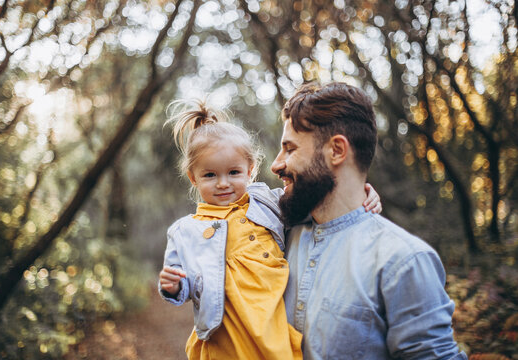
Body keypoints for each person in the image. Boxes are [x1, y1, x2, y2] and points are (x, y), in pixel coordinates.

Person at [158, 99, 381, 359]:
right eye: (210, 175)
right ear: (193, 178)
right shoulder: (185, 231)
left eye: (233, 172)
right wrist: (173, 287)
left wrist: (360, 193)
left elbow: (316, 202)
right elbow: (185, 287)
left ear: (250, 171)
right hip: (225, 338)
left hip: (272, 328)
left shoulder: (267, 202)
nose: (222, 183)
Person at [271, 81, 467, 359]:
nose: (276, 164)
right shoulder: (277, 235)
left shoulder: (403, 261)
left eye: (290, 149)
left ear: (337, 150)